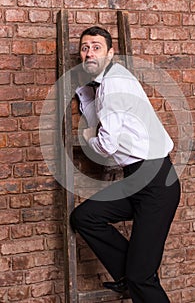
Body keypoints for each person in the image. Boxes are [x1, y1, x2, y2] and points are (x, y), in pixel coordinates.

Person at [70, 26, 181, 303]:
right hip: (136, 179)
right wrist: (84, 94)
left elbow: (106, 145)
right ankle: (126, 275)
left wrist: (87, 141)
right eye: (85, 47)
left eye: (96, 47)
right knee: (85, 217)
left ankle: (133, 277)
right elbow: (103, 113)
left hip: (156, 181)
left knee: (143, 277)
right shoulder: (109, 81)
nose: (89, 52)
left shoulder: (114, 83)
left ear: (110, 53)